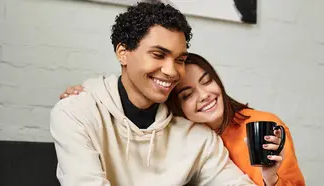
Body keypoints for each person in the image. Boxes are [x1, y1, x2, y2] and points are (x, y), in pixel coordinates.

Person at [50, 2, 257, 186]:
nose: (172, 71)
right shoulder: (77, 113)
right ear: (123, 53)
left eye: (180, 60)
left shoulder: (196, 135)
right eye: (158, 55)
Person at [60, 53, 306, 186]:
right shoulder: (183, 136)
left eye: (207, 81)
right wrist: (89, 95)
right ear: (175, 105)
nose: (205, 96)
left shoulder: (261, 126)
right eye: (187, 95)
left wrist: (270, 179)